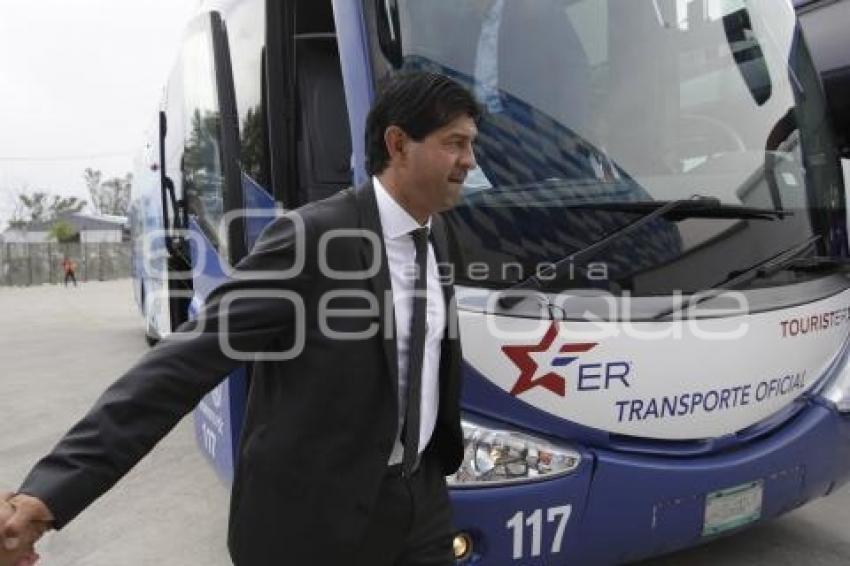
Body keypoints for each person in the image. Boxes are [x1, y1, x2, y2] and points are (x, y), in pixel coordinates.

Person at [0, 71, 480, 566]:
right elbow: (180, 365)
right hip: (316, 523)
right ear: (398, 144)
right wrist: (50, 492)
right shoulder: (310, 239)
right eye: (455, 144)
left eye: (471, 145)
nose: (470, 161)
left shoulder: (436, 235)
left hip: (419, 505)